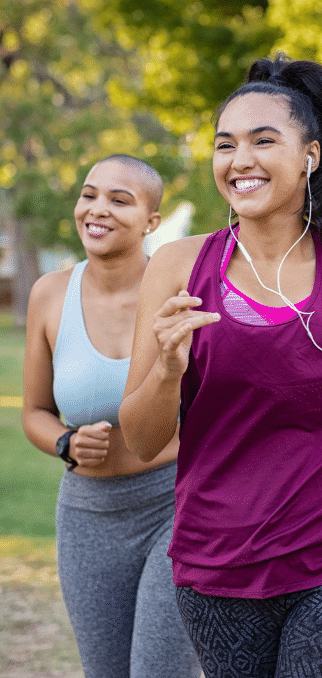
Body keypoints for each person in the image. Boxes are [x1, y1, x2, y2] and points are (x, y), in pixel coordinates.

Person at [119, 53, 322, 678]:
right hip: (217, 560)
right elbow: (141, 440)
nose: (239, 160)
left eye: (263, 141)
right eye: (225, 144)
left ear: (311, 156)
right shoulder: (175, 269)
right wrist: (165, 369)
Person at [22, 155, 202, 678]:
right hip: (86, 516)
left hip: (175, 507)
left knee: (159, 671)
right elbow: (35, 411)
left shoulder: (181, 297)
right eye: (89, 194)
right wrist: (65, 444)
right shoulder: (50, 296)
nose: (97, 210)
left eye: (120, 200)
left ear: (151, 221)